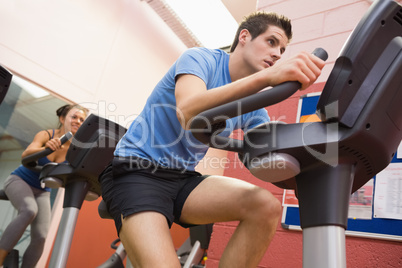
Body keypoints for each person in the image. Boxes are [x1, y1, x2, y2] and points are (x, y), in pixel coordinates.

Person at [99, 11, 325, 267]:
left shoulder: (255, 106)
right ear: (244, 36)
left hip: (182, 179)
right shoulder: (200, 59)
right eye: (272, 42)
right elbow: (188, 110)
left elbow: (264, 150)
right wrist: (265, 79)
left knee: (265, 206)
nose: (277, 54)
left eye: (282, 50)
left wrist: (313, 150)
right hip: (136, 170)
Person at [0, 104, 88, 268]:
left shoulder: (75, 151)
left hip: (42, 191)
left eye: (82, 120)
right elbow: (26, 154)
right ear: (62, 119)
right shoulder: (47, 134)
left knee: (41, 236)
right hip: (20, 180)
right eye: (74, 117)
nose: (78, 121)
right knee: (29, 210)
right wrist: (45, 148)